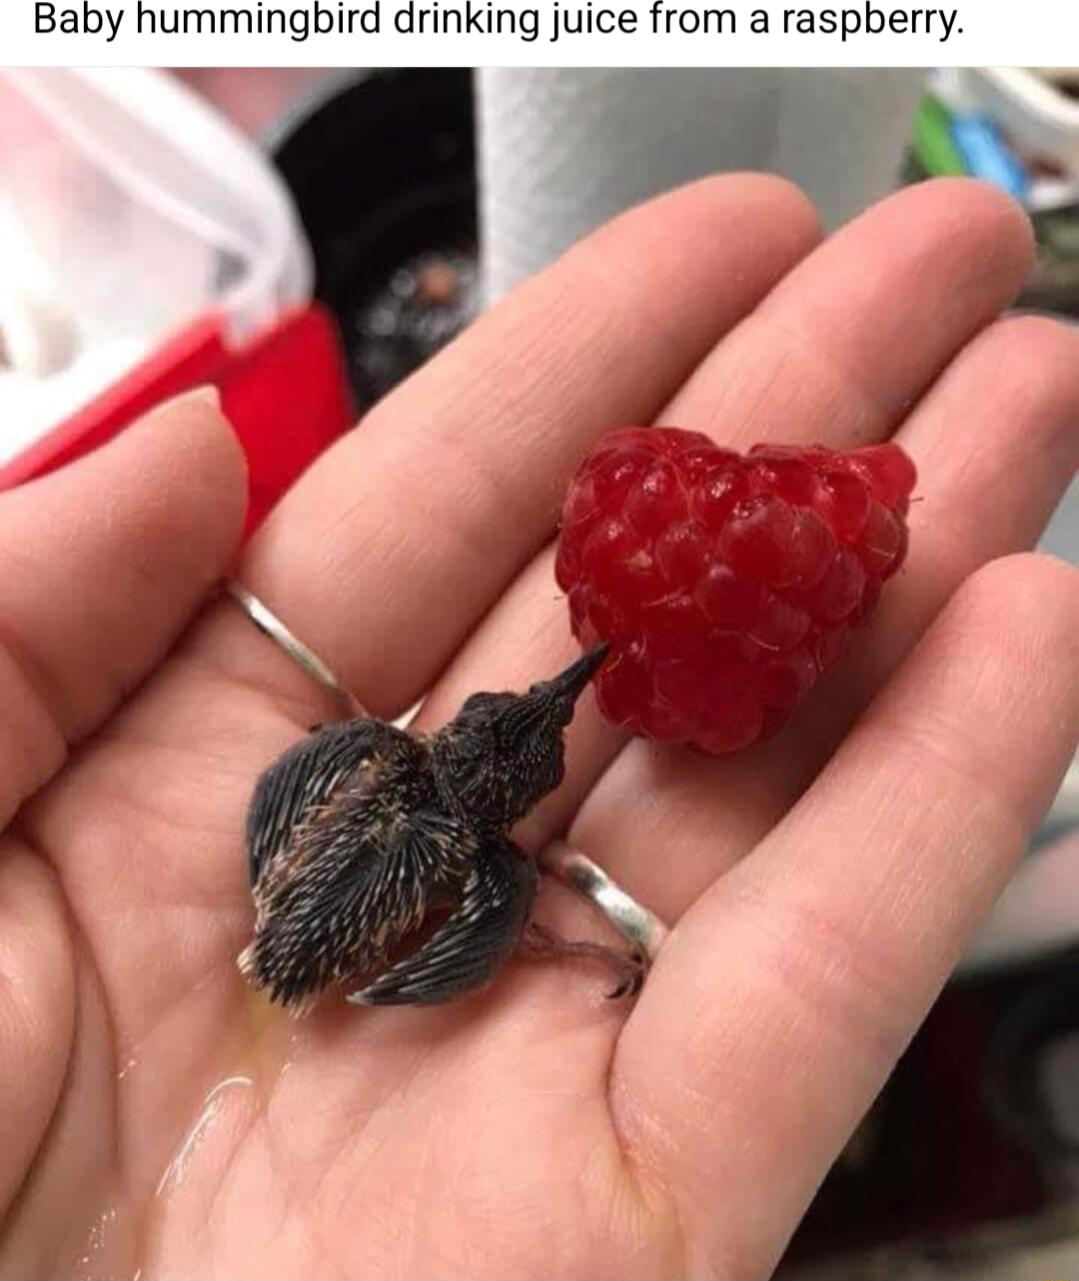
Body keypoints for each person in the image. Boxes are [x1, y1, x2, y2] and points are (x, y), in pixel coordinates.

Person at [1, 174, 1076, 1280]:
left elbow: (305, 789)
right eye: (527, 725)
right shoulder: (479, 863)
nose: (552, 697)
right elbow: (385, 868)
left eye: (517, 720)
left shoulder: (386, 771)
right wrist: (522, 944)